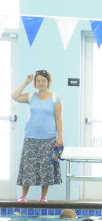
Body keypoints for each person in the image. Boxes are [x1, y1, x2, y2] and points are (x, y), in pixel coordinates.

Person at [11, 70, 63, 203]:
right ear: (35, 83)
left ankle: (43, 197)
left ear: (48, 82)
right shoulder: (31, 96)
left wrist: (60, 137)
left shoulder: (55, 98)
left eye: (43, 81)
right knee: (28, 167)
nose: (40, 83)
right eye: (38, 81)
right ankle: (23, 196)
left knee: (46, 168)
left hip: (49, 139)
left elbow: (58, 119)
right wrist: (26, 82)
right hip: (31, 138)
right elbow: (15, 96)